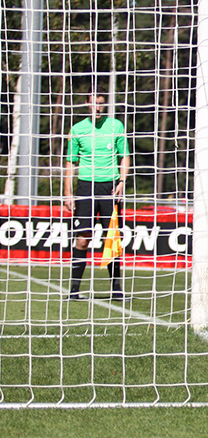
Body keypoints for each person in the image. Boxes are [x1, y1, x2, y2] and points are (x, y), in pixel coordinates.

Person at [64, 93, 130, 301]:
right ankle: (74, 290)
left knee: (111, 238)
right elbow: (70, 163)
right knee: (83, 239)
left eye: (101, 104)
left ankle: (116, 290)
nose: (97, 107)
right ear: (87, 104)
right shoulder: (77, 129)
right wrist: (68, 193)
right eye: (94, 103)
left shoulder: (116, 126)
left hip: (110, 188)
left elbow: (125, 156)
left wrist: (122, 181)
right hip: (85, 188)